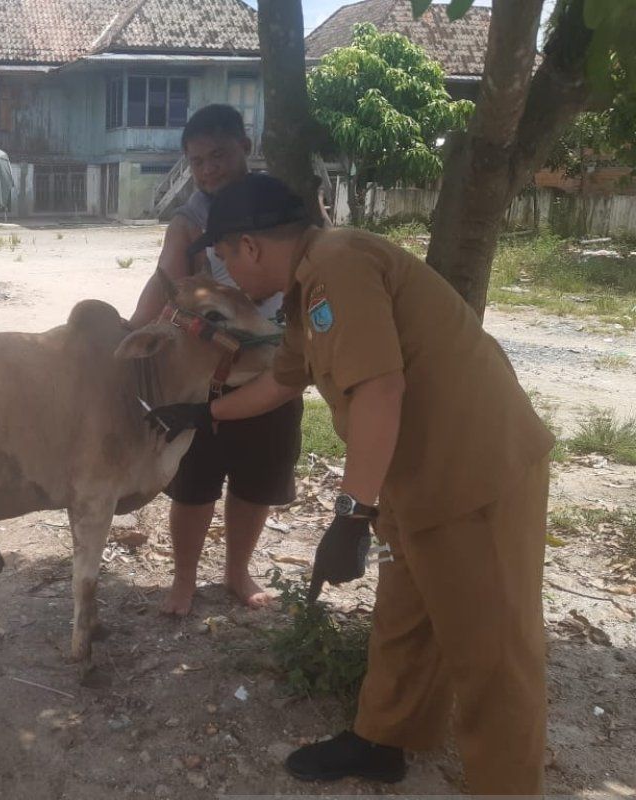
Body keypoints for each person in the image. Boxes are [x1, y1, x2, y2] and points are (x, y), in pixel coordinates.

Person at [147, 174, 554, 794]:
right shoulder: (311, 284)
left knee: (492, 651)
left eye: (226, 256)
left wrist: (350, 513)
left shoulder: (339, 266)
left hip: (477, 475)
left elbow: (379, 389)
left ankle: (507, 786)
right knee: (405, 616)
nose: (228, 271)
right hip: (416, 476)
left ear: (250, 246)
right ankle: (383, 740)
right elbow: (285, 380)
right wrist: (206, 413)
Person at [129, 104, 301, 614]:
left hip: (275, 366)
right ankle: (183, 579)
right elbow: (166, 286)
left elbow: (311, 268)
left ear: (245, 147)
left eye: (219, 156)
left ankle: (236, 571)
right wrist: (131, 330)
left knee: (257, 479)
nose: (208, 170)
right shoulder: (188, 222)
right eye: (198, 161)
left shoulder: (280, 205)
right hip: (208, 375)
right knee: (195, 483)